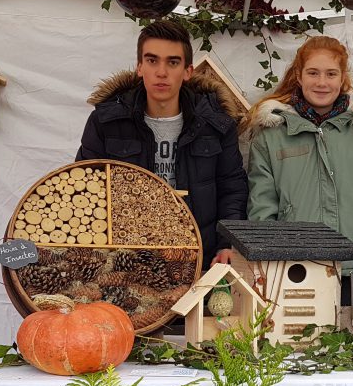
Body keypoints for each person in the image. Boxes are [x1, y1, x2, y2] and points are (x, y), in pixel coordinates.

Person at [77, 20, 248, 267]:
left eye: (173, 62)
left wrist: (227, 244)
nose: (161, 72)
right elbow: (86, 187)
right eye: (152, 60)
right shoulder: (106, 122)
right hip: (125, 260)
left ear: (188, 71)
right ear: (139, 67)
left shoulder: (216, 125)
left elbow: (232, 189)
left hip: (197, 258)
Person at [242, 35, 353, 246]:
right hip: (296, 270)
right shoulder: (271, 138)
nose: (322, 83)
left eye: (331, 74)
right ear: (299, 76)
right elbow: (262, 210)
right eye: (313, 73)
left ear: (342, 78)